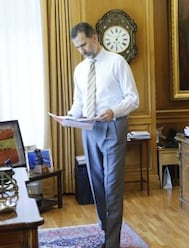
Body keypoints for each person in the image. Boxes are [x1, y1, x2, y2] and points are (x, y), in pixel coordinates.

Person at [67, 22, 139, 248]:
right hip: (89, 129)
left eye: (84, 44)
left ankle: (112, 243)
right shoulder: (79, 70)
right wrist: (69, 116)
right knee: (96, 184)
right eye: (77, 47)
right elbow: (78, 103)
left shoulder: (117, 62)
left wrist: (114, 111)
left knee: (112, 185)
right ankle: (105, 230)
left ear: (95, 37)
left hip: (113, 126)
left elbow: (133, 99)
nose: (82, 51)